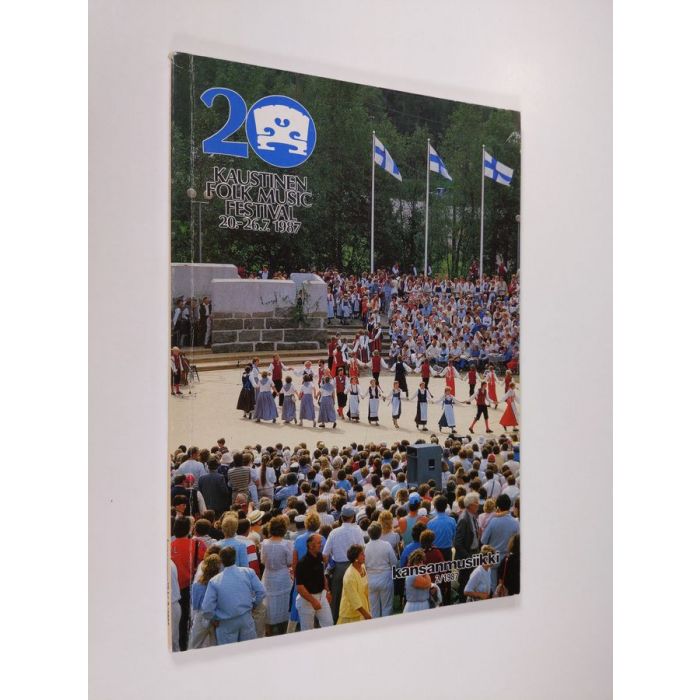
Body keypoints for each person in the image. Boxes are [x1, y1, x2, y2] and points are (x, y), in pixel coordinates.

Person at [200, 546, 266, 645]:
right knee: (249, 650)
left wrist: (213, 617)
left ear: (221, 560)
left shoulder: (214, 581)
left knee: (229, 652)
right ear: (235, 557)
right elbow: (261, 591)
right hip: (245, 617)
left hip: (226, 622)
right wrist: (254, 604)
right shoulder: (248, 572)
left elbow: (207, 608)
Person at [323, 504, 366, 622]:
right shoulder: (357, 530)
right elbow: (362, 548)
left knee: (337, 599)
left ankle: (337, 621)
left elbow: (325, 554)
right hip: (353, 566)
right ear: (352, 517)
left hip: (339, 569)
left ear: (342, 517)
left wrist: (329, 566)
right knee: (356, 595)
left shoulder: (334, 532)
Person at [170, 517, 208, 651]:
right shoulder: (197, 545)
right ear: (189, 529)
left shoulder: (168, 546)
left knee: (176, 625)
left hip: (173, 590)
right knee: (188, 622)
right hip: (189, 588)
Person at [260, 516, 294, 635]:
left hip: (268, 575)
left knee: (269, 601)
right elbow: (290, 561)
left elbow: (262, 560)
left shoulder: (264, 543)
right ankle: (283, 629)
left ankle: (269, 629)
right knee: (283, 601)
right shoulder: (287, 544)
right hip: (282, 576)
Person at [481, 494, 520, 591]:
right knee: (505, 587)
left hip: (493, 559)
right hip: (508, 560)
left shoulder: (493, 521)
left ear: (497, 507)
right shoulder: (515, 523)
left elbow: (483, 540)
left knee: (493, 587)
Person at [295, 533, 333, 631]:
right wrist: (313, 601)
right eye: (319, 543)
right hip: (306, 600)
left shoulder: (319, 556)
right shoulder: (302, 563)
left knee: (329, 624)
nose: (321, 545)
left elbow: (322, 575)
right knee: (307, 630)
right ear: (311, 546)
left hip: (322, 596)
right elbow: (300, 587)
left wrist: (327, 591)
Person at [189, 553, 222, 649]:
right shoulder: (220, 583)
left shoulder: (196, 584)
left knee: (193, 646)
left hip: (201, 616)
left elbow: (195, 605)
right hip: (217, 617)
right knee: (217, 647)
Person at [364, 522, 398, 618]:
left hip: (371, 579)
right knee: (387, 607)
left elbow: (364, 564)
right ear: (380, 533)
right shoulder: (386, 545)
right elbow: (394, 563)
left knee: (374, 608)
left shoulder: (365, 547)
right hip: (385, 578)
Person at [454, 492, 481, 600]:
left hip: (473, 553)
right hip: (467, 556)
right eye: (476, 503)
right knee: (465, 583)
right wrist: (468, 557)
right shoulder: (464, 519)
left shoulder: (472, 516)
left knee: (472, 582)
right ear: (470, 505)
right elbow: (457, 542)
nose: (478, 505)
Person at [337, 544, 371, 624]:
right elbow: (354, 599)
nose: (364, 556)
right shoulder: (349, 576)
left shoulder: (363, 567)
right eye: (362, 554)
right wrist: (366, 615)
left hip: (363, 610)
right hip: (350, 615)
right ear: (356, 558)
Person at [403, 549, 434, 613]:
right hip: (415, 607)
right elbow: (428, 583)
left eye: (421, 562)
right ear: (412, 563)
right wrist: (425, 572)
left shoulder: (419, 573)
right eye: (418, 562)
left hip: (422, 605)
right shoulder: (412, 575)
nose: (420, 564)